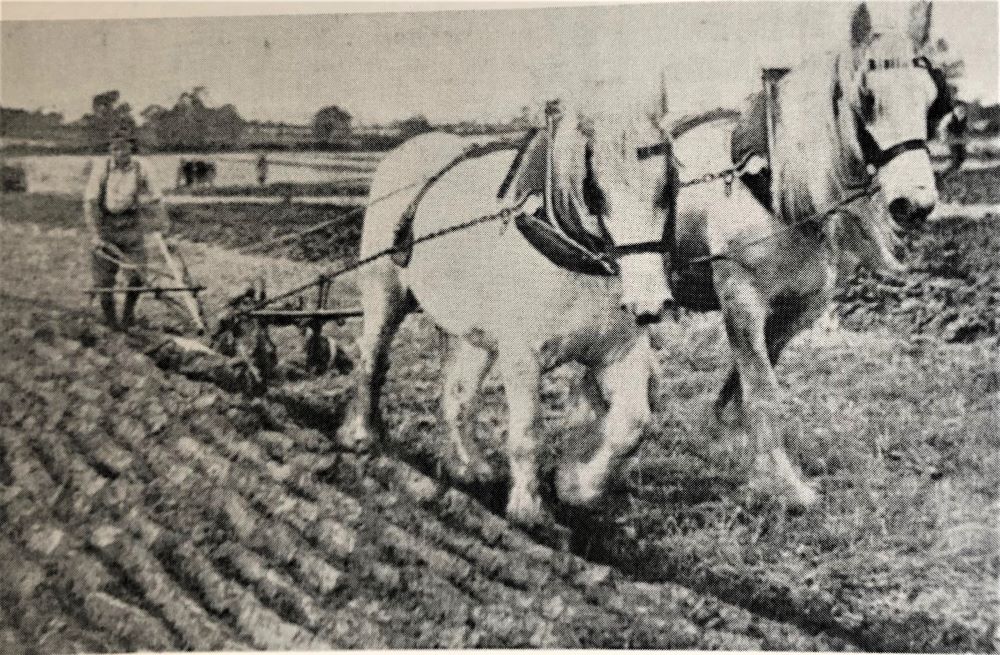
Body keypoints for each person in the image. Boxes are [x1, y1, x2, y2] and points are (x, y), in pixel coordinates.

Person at [83, 127, 168, 329]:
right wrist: (95, 235)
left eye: (124, 149)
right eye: (115, 149)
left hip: (131, 226)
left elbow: (156, 199)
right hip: (106, 226)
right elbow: (90, 202)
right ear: (110, 150)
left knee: (139, 275)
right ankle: (111, 323)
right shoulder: (101, 168)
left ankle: (128, 316)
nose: (119, 154)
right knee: (104, 283)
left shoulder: (142, 167)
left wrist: (164, 226)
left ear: (132, 147)